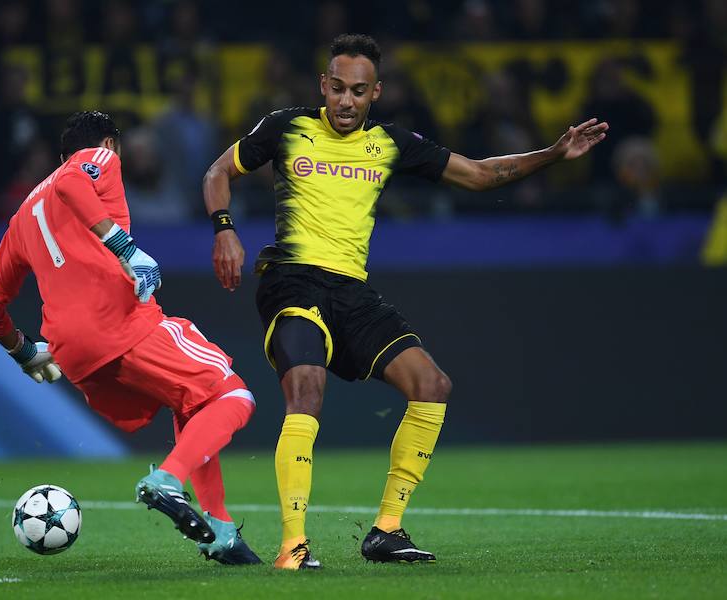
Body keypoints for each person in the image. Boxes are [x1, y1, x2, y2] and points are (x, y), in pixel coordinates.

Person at [202, 34, 608, 570]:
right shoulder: (286, 126)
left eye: (359, 91)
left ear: (377, 93)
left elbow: (481, 175)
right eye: (338, 88)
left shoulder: (390, 143)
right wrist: (224, 230)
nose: (346, 101)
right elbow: (217, 174)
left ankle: (386, 530)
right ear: (324, 85)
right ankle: (293, 546)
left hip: (351, 290)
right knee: (307, 385)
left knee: (432, 385)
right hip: (291, 280)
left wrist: (554, 153)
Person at [0, 111, 260, 565]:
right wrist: (125, 247)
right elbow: (71, 184)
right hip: (121, 322)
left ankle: (221, 530)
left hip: (73, 354)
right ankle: (168, 480)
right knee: (234, 395)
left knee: (192, 402)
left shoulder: (22, 216)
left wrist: (25, 352)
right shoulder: (98, 160)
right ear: (109, 145)